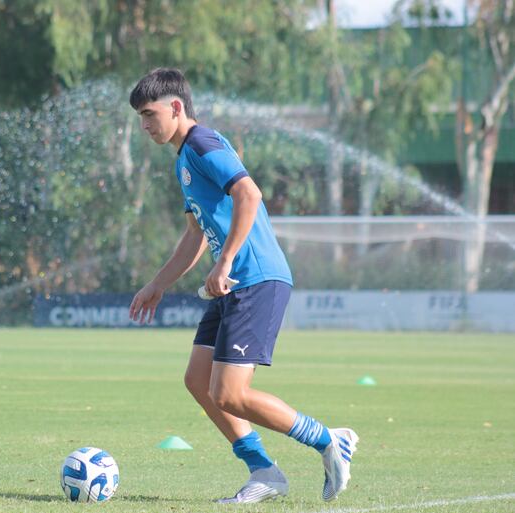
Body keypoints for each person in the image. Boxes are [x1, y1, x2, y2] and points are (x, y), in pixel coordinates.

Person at [127, 68, 358, 504]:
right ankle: (264, 471)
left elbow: (249, 195)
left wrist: (227, 260)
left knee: (230, 393)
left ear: (176, 107)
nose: (144, 126)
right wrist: (158, 283)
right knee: (199, 380)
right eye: (140, 117)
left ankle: (329, 439)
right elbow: (196, 234)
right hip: (230, 283)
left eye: (148, 114)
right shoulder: (184, 159)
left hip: (254, 278)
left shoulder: (202, 142)